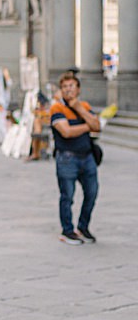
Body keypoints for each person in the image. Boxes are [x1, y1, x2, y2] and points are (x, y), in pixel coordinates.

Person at [49, 70, 102, 245]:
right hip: (67, 158)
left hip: (87, 158)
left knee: (92, 193)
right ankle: (67, 230)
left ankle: (83, 227)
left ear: (78, 89)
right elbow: (66, 132)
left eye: (71, 86)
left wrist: (79, 108)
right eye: (64, 87)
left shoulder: (84, 106)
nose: (68, 90)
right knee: (67, 196)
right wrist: (88, 126)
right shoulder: (57, 108)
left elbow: (98, 126)